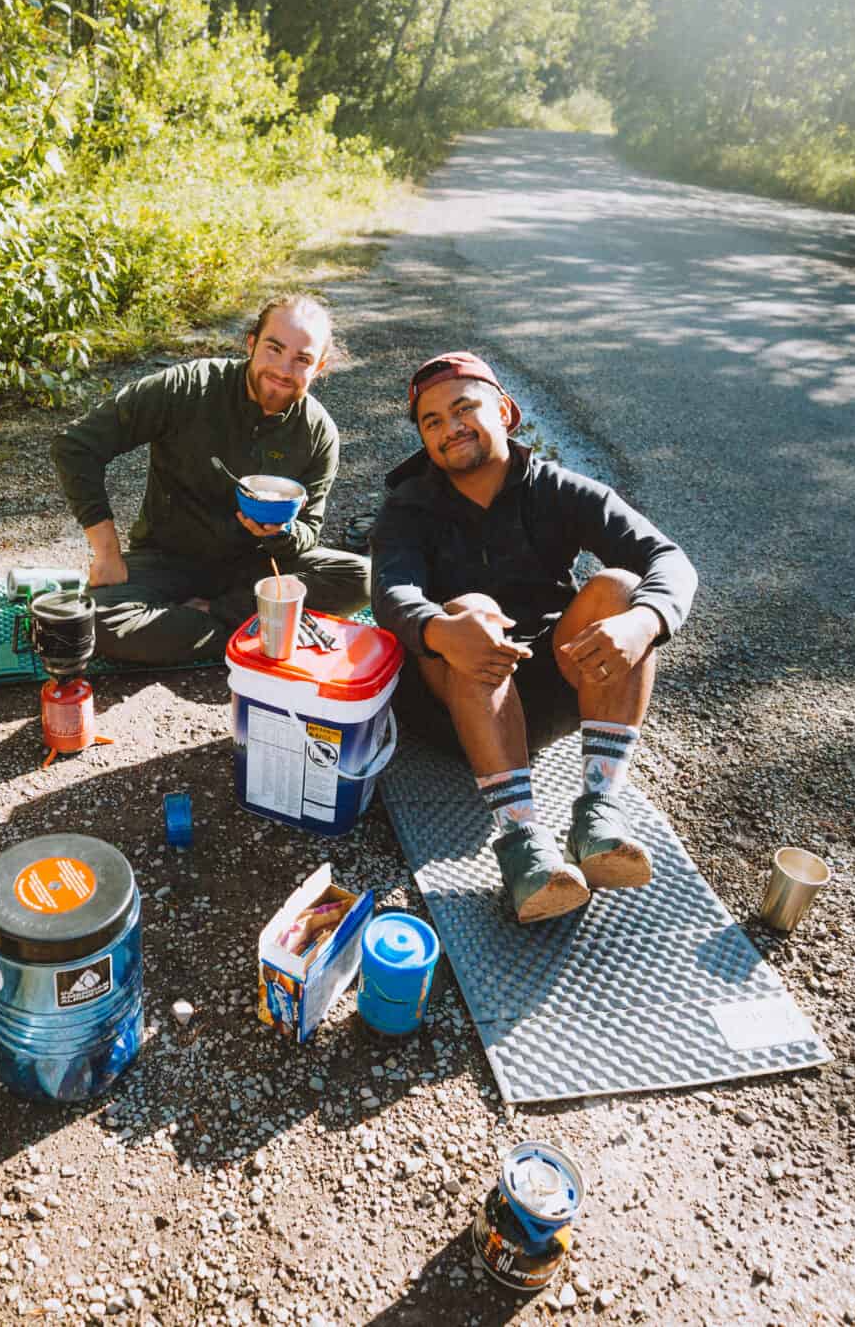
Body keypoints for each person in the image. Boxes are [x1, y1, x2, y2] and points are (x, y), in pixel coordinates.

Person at [372, 351, 698, 924]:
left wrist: (644, 621)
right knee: (473, 610)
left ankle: (599, 812)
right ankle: (521, 841)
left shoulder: (558, 489)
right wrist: (442, 628)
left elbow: (667, 559)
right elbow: (390, 594)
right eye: (432, 421)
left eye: (464, 409)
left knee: (622, 590)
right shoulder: (407, 508)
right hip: (453, 706)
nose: (451, 428)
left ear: (505, 411)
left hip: (547, 698)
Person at [51, 294, 370, 665]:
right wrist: (107, 552)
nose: (283, 370)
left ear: (320, 367)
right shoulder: (188, 387)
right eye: (274, 349)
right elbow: (75, 445)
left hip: (255, 569)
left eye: (302, 359)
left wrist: (281, 532)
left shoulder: (318, 432)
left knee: (362, 578)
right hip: (169, 559)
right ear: (251, 343)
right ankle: (261, 627)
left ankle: (209, 619)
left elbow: (308, 531)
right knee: (96, 622)